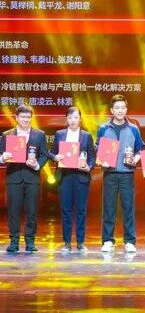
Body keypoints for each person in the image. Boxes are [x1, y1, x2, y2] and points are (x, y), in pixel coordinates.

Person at [97, 94, 144, 253]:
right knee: (108, 208)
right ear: (111, 110)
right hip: (109, 173)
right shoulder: (103, 128)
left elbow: (139, 149)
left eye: (123, 107)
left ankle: (130, 241)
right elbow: (98, 148)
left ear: (126, 109)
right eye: (117, 108)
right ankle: (108, 240)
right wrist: (101, 160)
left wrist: (135, 159)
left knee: (128, 208)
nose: (120, 110)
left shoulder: (133, 128)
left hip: (127, 173)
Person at [0, 104, 50, 253]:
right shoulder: (7, 134)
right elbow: (1, 154)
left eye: (28, 117)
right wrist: (3, 157)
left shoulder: (39, 134)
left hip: (32, 178)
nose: (26, 119)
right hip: (14, 177)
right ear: (17, 117)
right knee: (13, 211)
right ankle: (14, 242)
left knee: (32, 211)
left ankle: (30, 242)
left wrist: (37, 165)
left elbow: (44, 155)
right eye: (23, 117)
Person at [50, 106, 96, 253]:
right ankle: (67, 243)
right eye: (70, 118)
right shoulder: (60, 134)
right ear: (67, 119)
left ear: (80, 119)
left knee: (81, 210)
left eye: (76, 117)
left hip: (81, 176)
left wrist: (89, 166)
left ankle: (80, 242)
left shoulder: (86, 136)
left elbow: (92, 156)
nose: (73, 120)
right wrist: (55, 157)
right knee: (66, 210)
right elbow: (52, 152)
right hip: (65, 176)